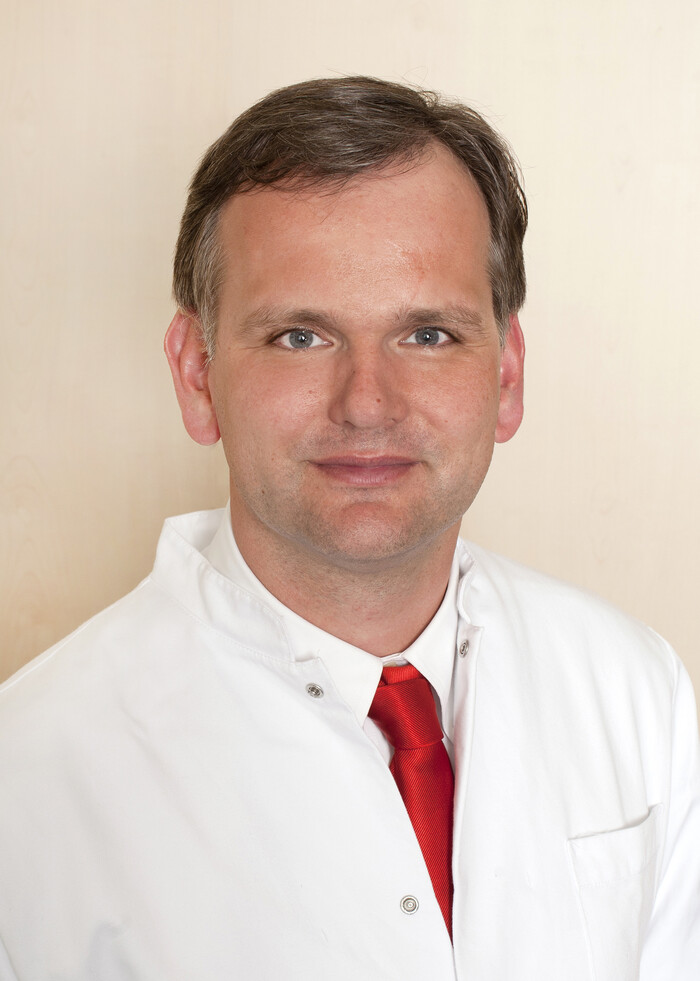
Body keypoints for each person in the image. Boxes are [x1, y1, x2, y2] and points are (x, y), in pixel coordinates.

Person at [0, 77, 697, 981]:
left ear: (507, 375)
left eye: (428, 335)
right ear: (198, 374)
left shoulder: (635, 690)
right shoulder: (32, 777)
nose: (367, 403)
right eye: (301, 336)